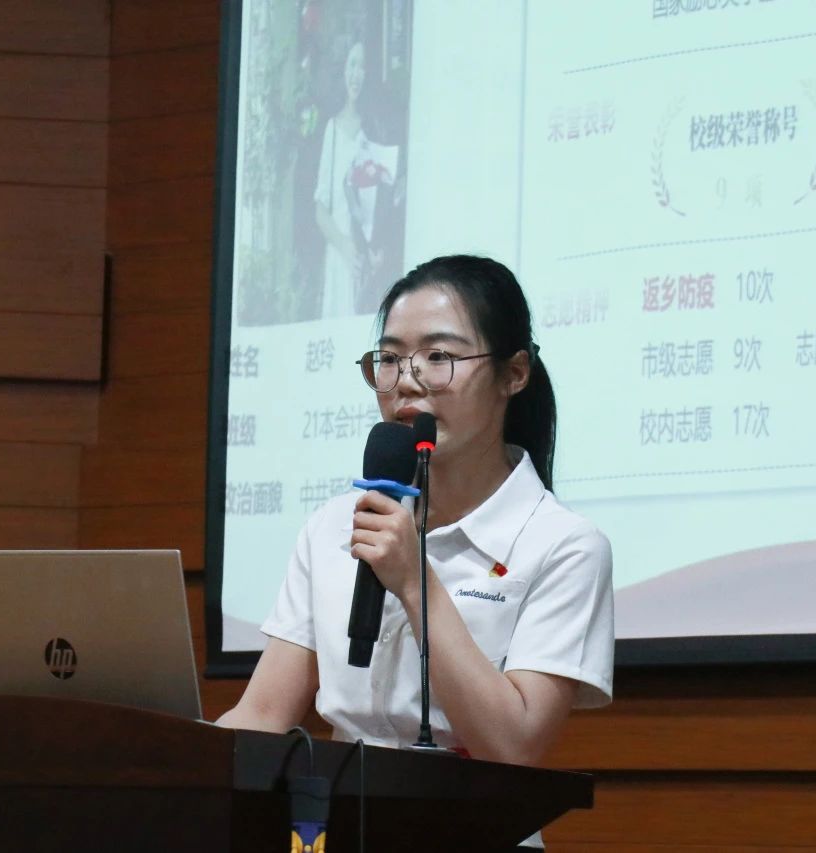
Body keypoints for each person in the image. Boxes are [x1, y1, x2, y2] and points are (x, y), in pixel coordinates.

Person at [216, 255, 614, 850]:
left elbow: (515, 745)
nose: (407, 379)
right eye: (390, 358)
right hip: (336, 832)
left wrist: (414, 583)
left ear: (514, 373)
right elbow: (263, 716)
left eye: (439, 356)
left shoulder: (563, 545)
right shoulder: (332, 527)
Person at [313, 38, 393, 317]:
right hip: (340, 256)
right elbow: (320, 211)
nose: (357, 73)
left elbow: (384, 201)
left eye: (363, 67)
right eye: (352, 64)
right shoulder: (332, 130)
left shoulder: (374, 129)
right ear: (343, 69)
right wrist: (345, 247)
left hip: (368, 261)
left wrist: (375, 248)